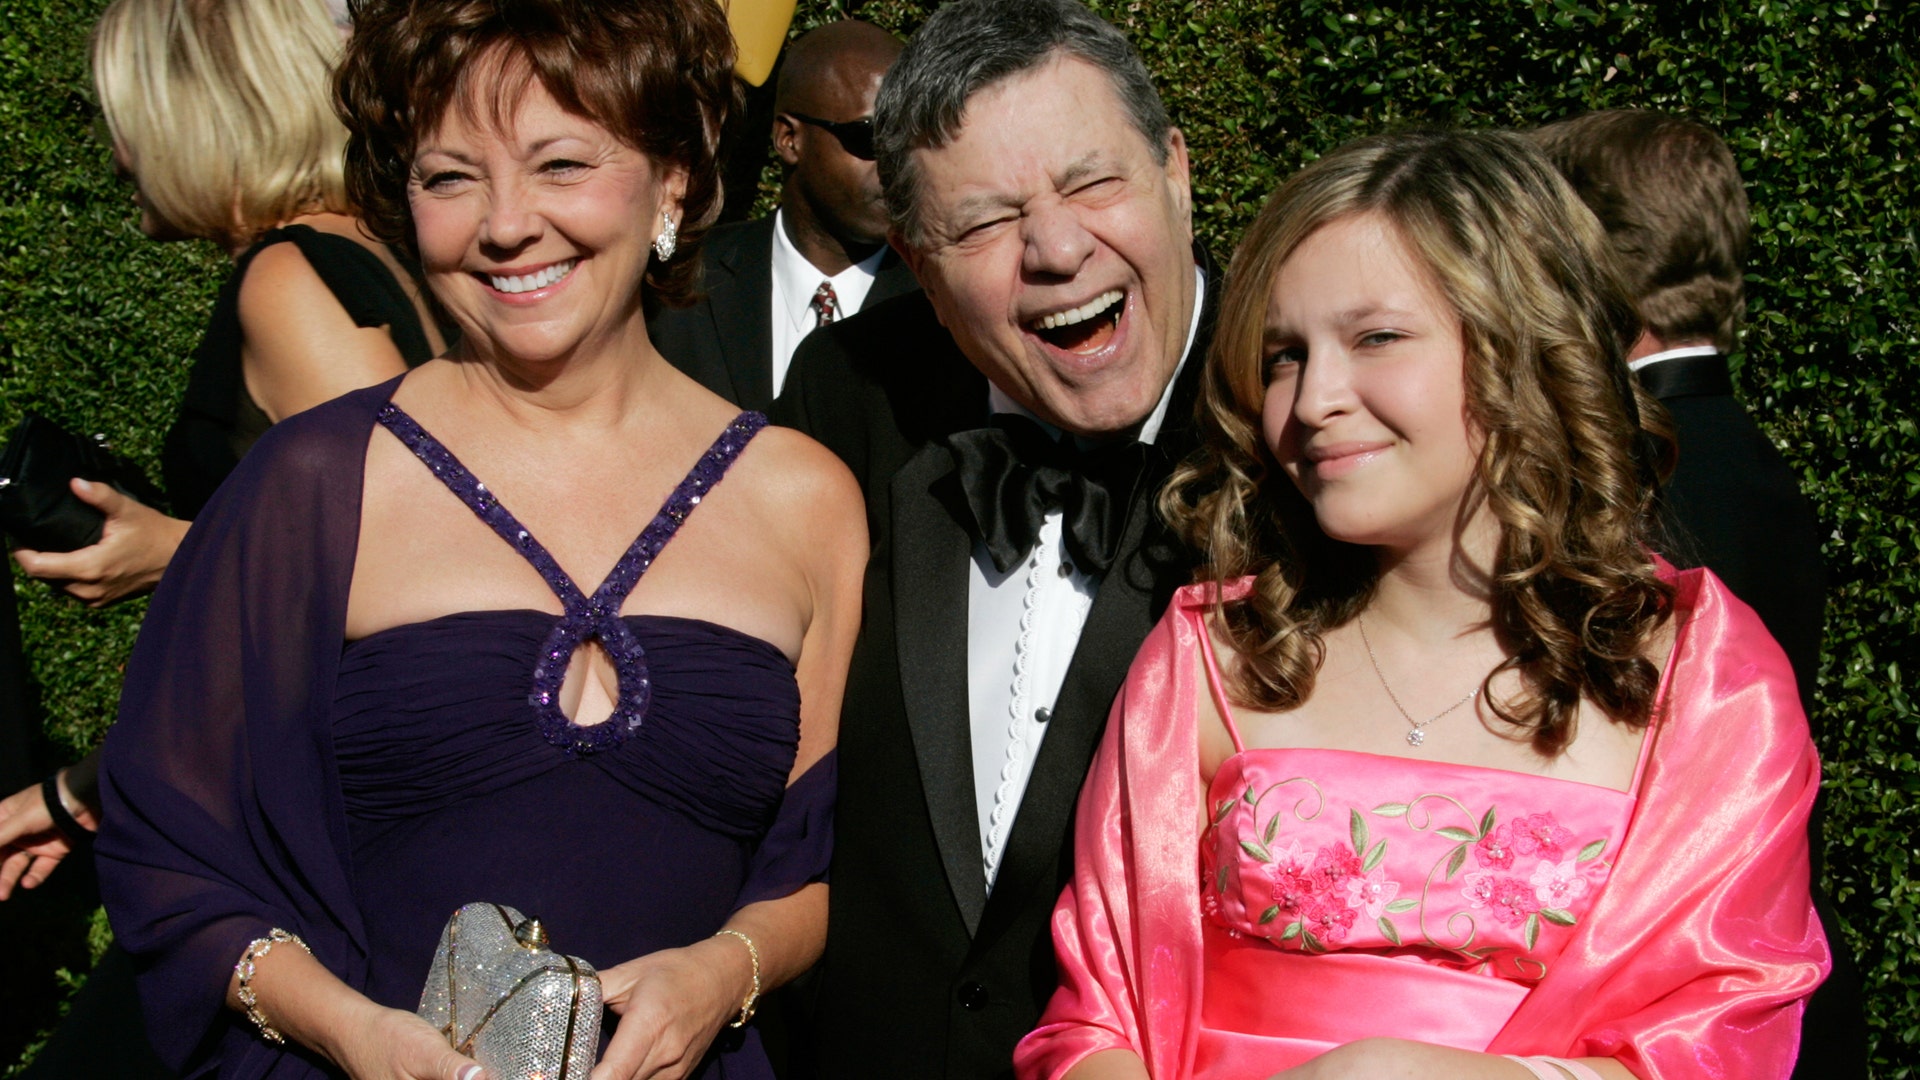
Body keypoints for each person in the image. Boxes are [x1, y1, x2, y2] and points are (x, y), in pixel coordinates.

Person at [93, 1, 865, 1079]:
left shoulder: (806, 498)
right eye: (450, 177)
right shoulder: (318, 484)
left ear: (673, 181)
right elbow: (172, 851)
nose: (505, 225)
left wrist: (720, 974)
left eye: (560, 164)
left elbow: (826, 865)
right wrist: (351, 1031)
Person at [1015, 130, 1828, 1079]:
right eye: (1284, 355)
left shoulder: (1705, 677)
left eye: (1377, 339)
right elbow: (1093, 1029)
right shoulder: (1212, 653)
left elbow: (1725, 1037)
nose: (1314, 400)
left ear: (1521, 345)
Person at [769, 1, 1214, 1074]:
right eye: (983, 225)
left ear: (1177, 171)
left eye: (1092, 182)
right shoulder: (848, 395)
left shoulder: (1311, 426)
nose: (1057, 249)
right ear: (918, 266)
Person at [1528, 107, 1865, 1080]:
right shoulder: (1753, 463)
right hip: (1782, 968)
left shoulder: (1628, 487)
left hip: (1686, 1005)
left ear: (1590, 264)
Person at [649, 20, 917, 410]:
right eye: (870, 137)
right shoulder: (680, 282)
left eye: (908, 141)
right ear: (789, 139)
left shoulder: (942, 303)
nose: (896, 166)